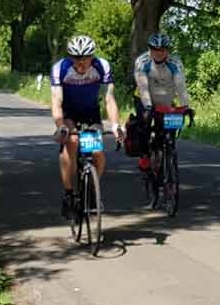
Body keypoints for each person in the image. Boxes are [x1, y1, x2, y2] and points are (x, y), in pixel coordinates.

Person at [51, 35, 124, 218]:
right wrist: (61, 127)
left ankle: (92, 187)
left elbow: (109, 99)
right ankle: (68, 194)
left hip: (90, 112)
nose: (81, 64)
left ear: (92, 56)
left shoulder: (102, 66)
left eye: (86, 59)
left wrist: (115, 124)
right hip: (69, 113)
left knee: (98, 152)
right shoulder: (61, 68)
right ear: (70, 58)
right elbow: (57, 101)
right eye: (77, 59)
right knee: (72, 142)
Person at [131, 32, 192, 173]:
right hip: (143, 98)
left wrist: (185, 106)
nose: (159, 53)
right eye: (155, 49)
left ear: (167, 50)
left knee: (167, 129)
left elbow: (181, 86)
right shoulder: (142, 61)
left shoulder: (175, 63)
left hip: (165, 100)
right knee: (144, 124)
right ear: (150, 49)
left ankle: (166, 152)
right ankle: (145, 155)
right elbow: (143, 87)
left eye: (162, 50)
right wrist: (148, 107)